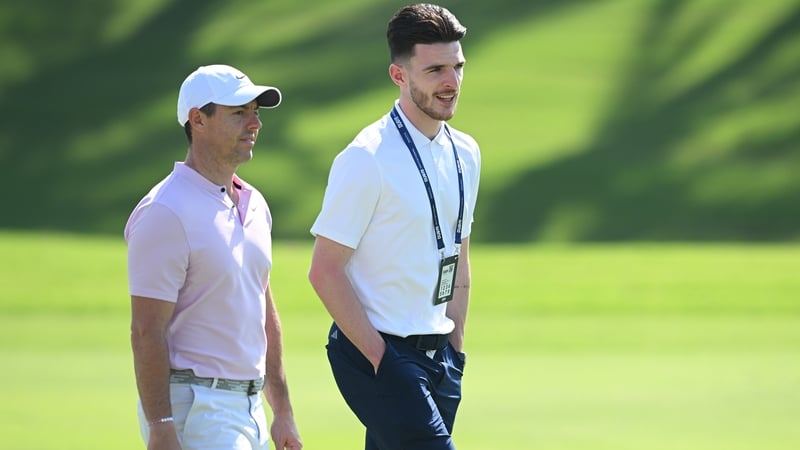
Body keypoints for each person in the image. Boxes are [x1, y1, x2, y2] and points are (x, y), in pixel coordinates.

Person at [308, 4, 481, 449]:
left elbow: (459, 254)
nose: (452, 82)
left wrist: (456, 345)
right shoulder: (366, 157)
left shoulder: (466, 154)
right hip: (379, 351)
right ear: (399, 75)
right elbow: (325, 271)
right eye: (436, 69)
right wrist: (382, 358)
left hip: (440, 354)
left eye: (458, 67)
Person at [125, 64, 302, 450]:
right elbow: (146, 331)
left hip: (249, 407)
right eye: (239, 113)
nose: (254, 123)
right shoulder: (165, 211)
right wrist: (160, 425)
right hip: (196, 409)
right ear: (197, 120)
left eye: (255, 111)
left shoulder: (256, 204)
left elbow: (262, 309)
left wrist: (282, 411)